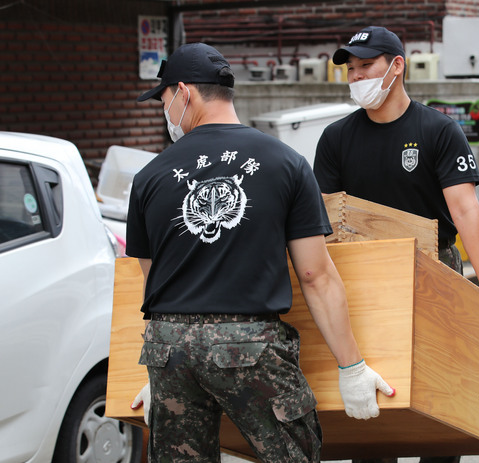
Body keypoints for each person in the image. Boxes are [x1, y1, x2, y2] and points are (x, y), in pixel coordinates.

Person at [125, 42, 394, 463]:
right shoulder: (285, 163)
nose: (164, 109)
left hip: (168, 347)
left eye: (163, 98)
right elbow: (314, 276)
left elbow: (152, 279)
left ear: (184, 92)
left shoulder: (149, 177)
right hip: (248, 347)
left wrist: (165, 372)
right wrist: (351, 367)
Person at [313, 26, 479, 463]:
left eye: (367, 66)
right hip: (364, 279)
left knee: (438, 399)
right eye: (351, 69)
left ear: (396, 66)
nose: (356, 76)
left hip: (434, 271)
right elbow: (325, 220)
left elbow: (465, 210)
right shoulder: (335, 139)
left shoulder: (438, 130)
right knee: (376, 403)